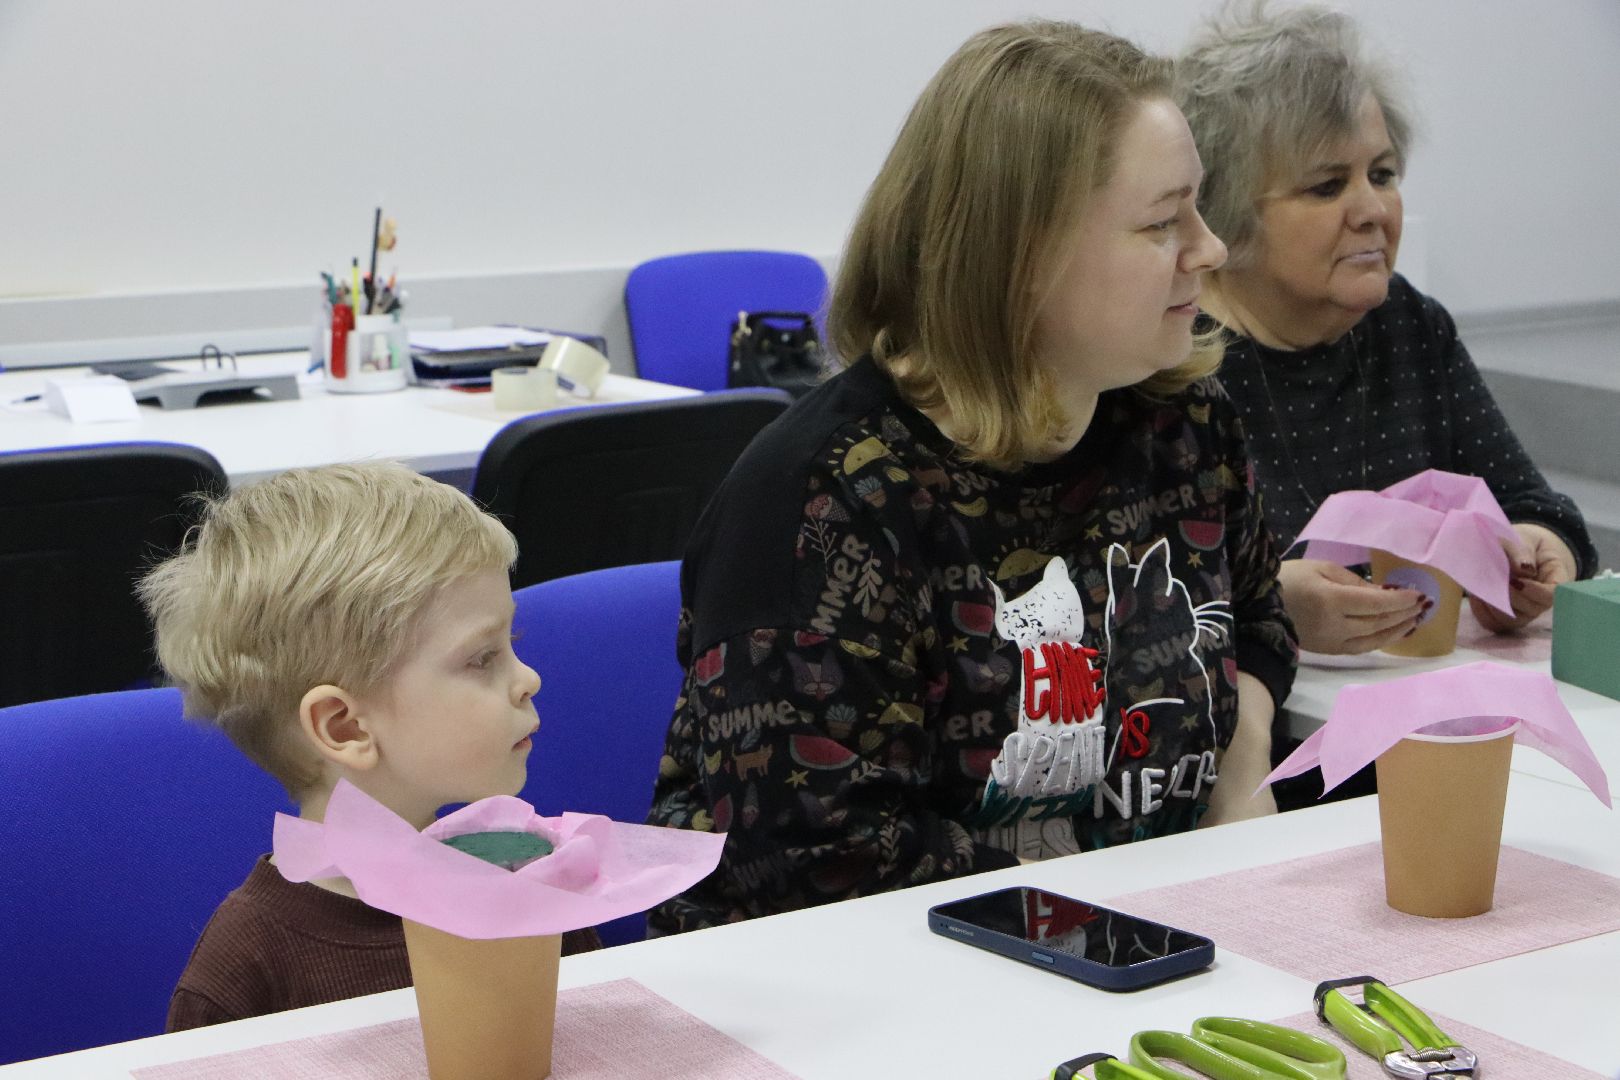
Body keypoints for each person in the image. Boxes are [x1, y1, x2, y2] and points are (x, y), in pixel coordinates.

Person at [645, 20, 1298, 935]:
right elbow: (813, 862)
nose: (1210, 248)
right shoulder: (825, 503)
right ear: (1019, 260)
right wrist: (1125, 917)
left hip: (1147, 944)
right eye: (1162, 222)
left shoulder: (1184, 425)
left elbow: (1257, 626)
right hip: (866, 988)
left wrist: (1239, 773)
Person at [1176, 3, 1598, 656]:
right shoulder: (1171, 360)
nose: (1373, 210)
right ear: (1226, 214)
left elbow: (1530, 503)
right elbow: (1137, 594)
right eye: (1326, 186)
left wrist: (1540, 552)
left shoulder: (1408, 325)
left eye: (1382, 174)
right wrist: (1267, 601)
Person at [138, 461, 598, 1032]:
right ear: (345, 728)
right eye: (482, 658)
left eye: (514, 641)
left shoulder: (527, 881)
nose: (529, 677)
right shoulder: (251, 966)